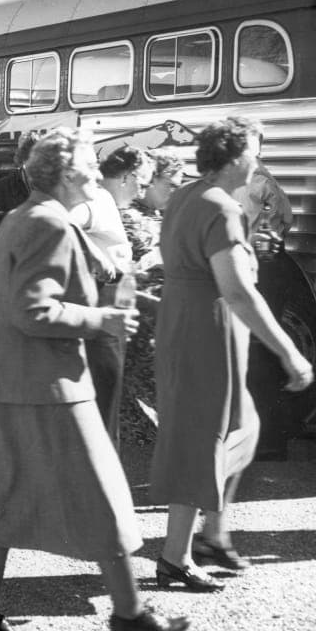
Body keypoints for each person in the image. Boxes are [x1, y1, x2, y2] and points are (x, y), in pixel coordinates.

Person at [0, 127, 188, 631]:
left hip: (9, 383)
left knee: (1, 498)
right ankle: (128, 611)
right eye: (89, 164)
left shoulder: (24, 217)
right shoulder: (50, 225)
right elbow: (34, 309)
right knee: (102, 496)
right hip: (51, 386)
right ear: (66, 175)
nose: (96, 172)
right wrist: (101, 319)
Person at [150, 117, 313, 590]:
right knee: (205, 442)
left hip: (185, 322)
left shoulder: (185, 195)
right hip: (209, 330)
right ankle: (176, 556)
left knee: (239, 430)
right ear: (237, 157)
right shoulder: (222, 208)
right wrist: (290, 354)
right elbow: (239, 292)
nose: (258, 162)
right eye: (255, 153)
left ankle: (210, 533)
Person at [72, 144, 154, 446]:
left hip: (112, 296)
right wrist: (95, 255)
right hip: (101, 296)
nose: (141, 193)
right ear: (127, 177)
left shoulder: (104, 201)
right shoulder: (97, 199)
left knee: (108, 392)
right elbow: (62, 221)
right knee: (103, 390)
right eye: (141, 183)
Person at [118, 151, 184, 446]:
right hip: (140, 328)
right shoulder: (129, 218)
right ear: (150, 179)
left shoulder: (158, 216)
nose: (174, 191)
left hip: (162, 326)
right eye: (170, 184)